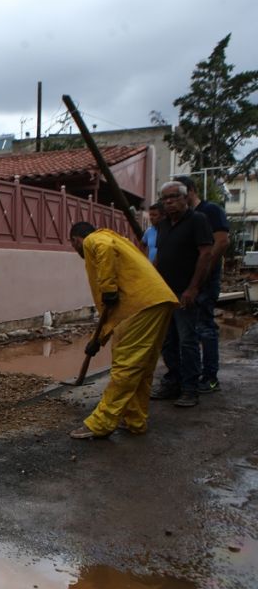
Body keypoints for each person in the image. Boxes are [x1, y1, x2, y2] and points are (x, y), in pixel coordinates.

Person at [67, 222, 178, 439]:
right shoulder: (119, 240)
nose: (76, 250)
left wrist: (108, 288)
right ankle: (135, 420)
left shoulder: (94, 239)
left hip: (141, 305)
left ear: (75, 240)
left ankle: (101, 423)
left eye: (73, 245)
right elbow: (110, 315)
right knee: (142, 368)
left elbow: (103, 248)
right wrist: (97, 341)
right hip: (156, 301)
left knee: (125, 367)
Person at [150, 180, 214, 408]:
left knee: (187, 340)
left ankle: (190, 388)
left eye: (174, 197)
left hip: (186, 291)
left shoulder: (198, 220)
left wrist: (193, 288)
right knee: (168, 341)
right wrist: (152, 282)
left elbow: (206, 254)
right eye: (165, 198)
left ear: (185, 198)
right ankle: (173, 382)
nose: (169, 202)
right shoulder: (164, 224)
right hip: (165, 292)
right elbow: (160, 256)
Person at [174, 175, 230, 393]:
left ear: (190, 191)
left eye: (178, 195)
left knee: (205, 328)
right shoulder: (185, 218)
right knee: (188, 332)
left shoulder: (210, 211)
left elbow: (222, 241)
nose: (173, 201)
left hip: (205, 281)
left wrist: (204, 271)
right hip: (186, 282)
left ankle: (210, 378)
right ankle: (191, 375)